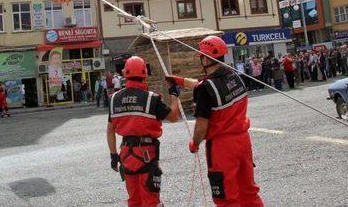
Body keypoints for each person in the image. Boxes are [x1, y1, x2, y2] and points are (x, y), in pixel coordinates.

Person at [166, 36, 264, 207]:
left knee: (226, 199)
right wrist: (181, 81)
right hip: (243, 142)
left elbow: (201, 128)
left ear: (205, 58)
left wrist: (194, 144)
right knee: (249, 193)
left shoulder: (206, 89)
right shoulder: (234, 77)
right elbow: (205, 85)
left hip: (221, 148)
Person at [107, 56, 179, 207]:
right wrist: (174, 95)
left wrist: (113, 156)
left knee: (134, 200)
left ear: (124, 73)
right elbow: (173, 117)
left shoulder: (114, 99)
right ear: (144, 74)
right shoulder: (151, 99)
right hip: (147, 155)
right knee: (151, 201)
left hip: (126, 155)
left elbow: (110, 130)